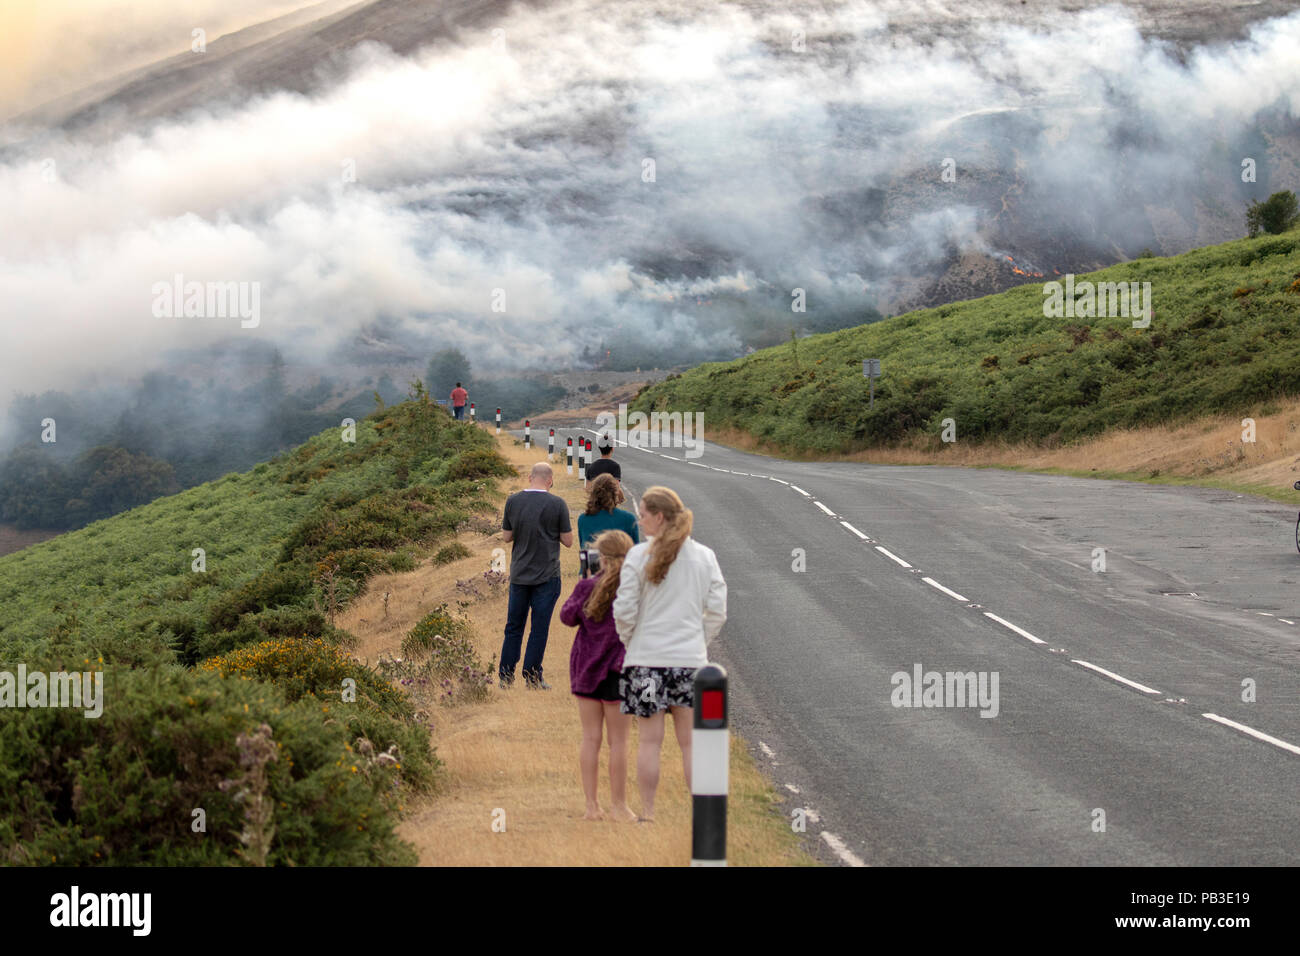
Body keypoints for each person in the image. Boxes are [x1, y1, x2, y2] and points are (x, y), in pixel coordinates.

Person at [612, 486, 726, 821]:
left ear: (659, 516)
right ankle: (701, 815)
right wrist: (697, 641)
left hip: (645, 663)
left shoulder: (637, 556)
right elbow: (717, 611)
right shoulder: (704, 556)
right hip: (690, 664)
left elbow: (624, 611)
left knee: (649, 742)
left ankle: (648, 812)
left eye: (643, 514)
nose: (639, 519)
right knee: (691, 743)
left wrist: (631, 642)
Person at [559, 529, 638, 822]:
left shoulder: (587, 588)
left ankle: (592, 806)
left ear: (601, 558)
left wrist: (584, 583)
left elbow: (567, 617)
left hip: (586, 669)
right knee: (619, 742)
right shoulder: (634, 590)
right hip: (620, 670)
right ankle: (620, 806)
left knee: (590, 738)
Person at [500, 462, 573, 689]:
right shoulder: (557, 503)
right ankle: (532, 677)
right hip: (547, 575)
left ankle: (505, 675)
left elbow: (506, 537)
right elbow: (568, 541)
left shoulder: (513, 500)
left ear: (530, 477)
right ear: (550, 480)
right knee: (538, 628)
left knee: (514, 626)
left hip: (520, 574)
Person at [577, 473, 638, 552]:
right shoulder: (628, 519)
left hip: (593, 563)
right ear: (615, 494)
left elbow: (584, 546)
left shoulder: (583, 519)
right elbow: (636, 551)